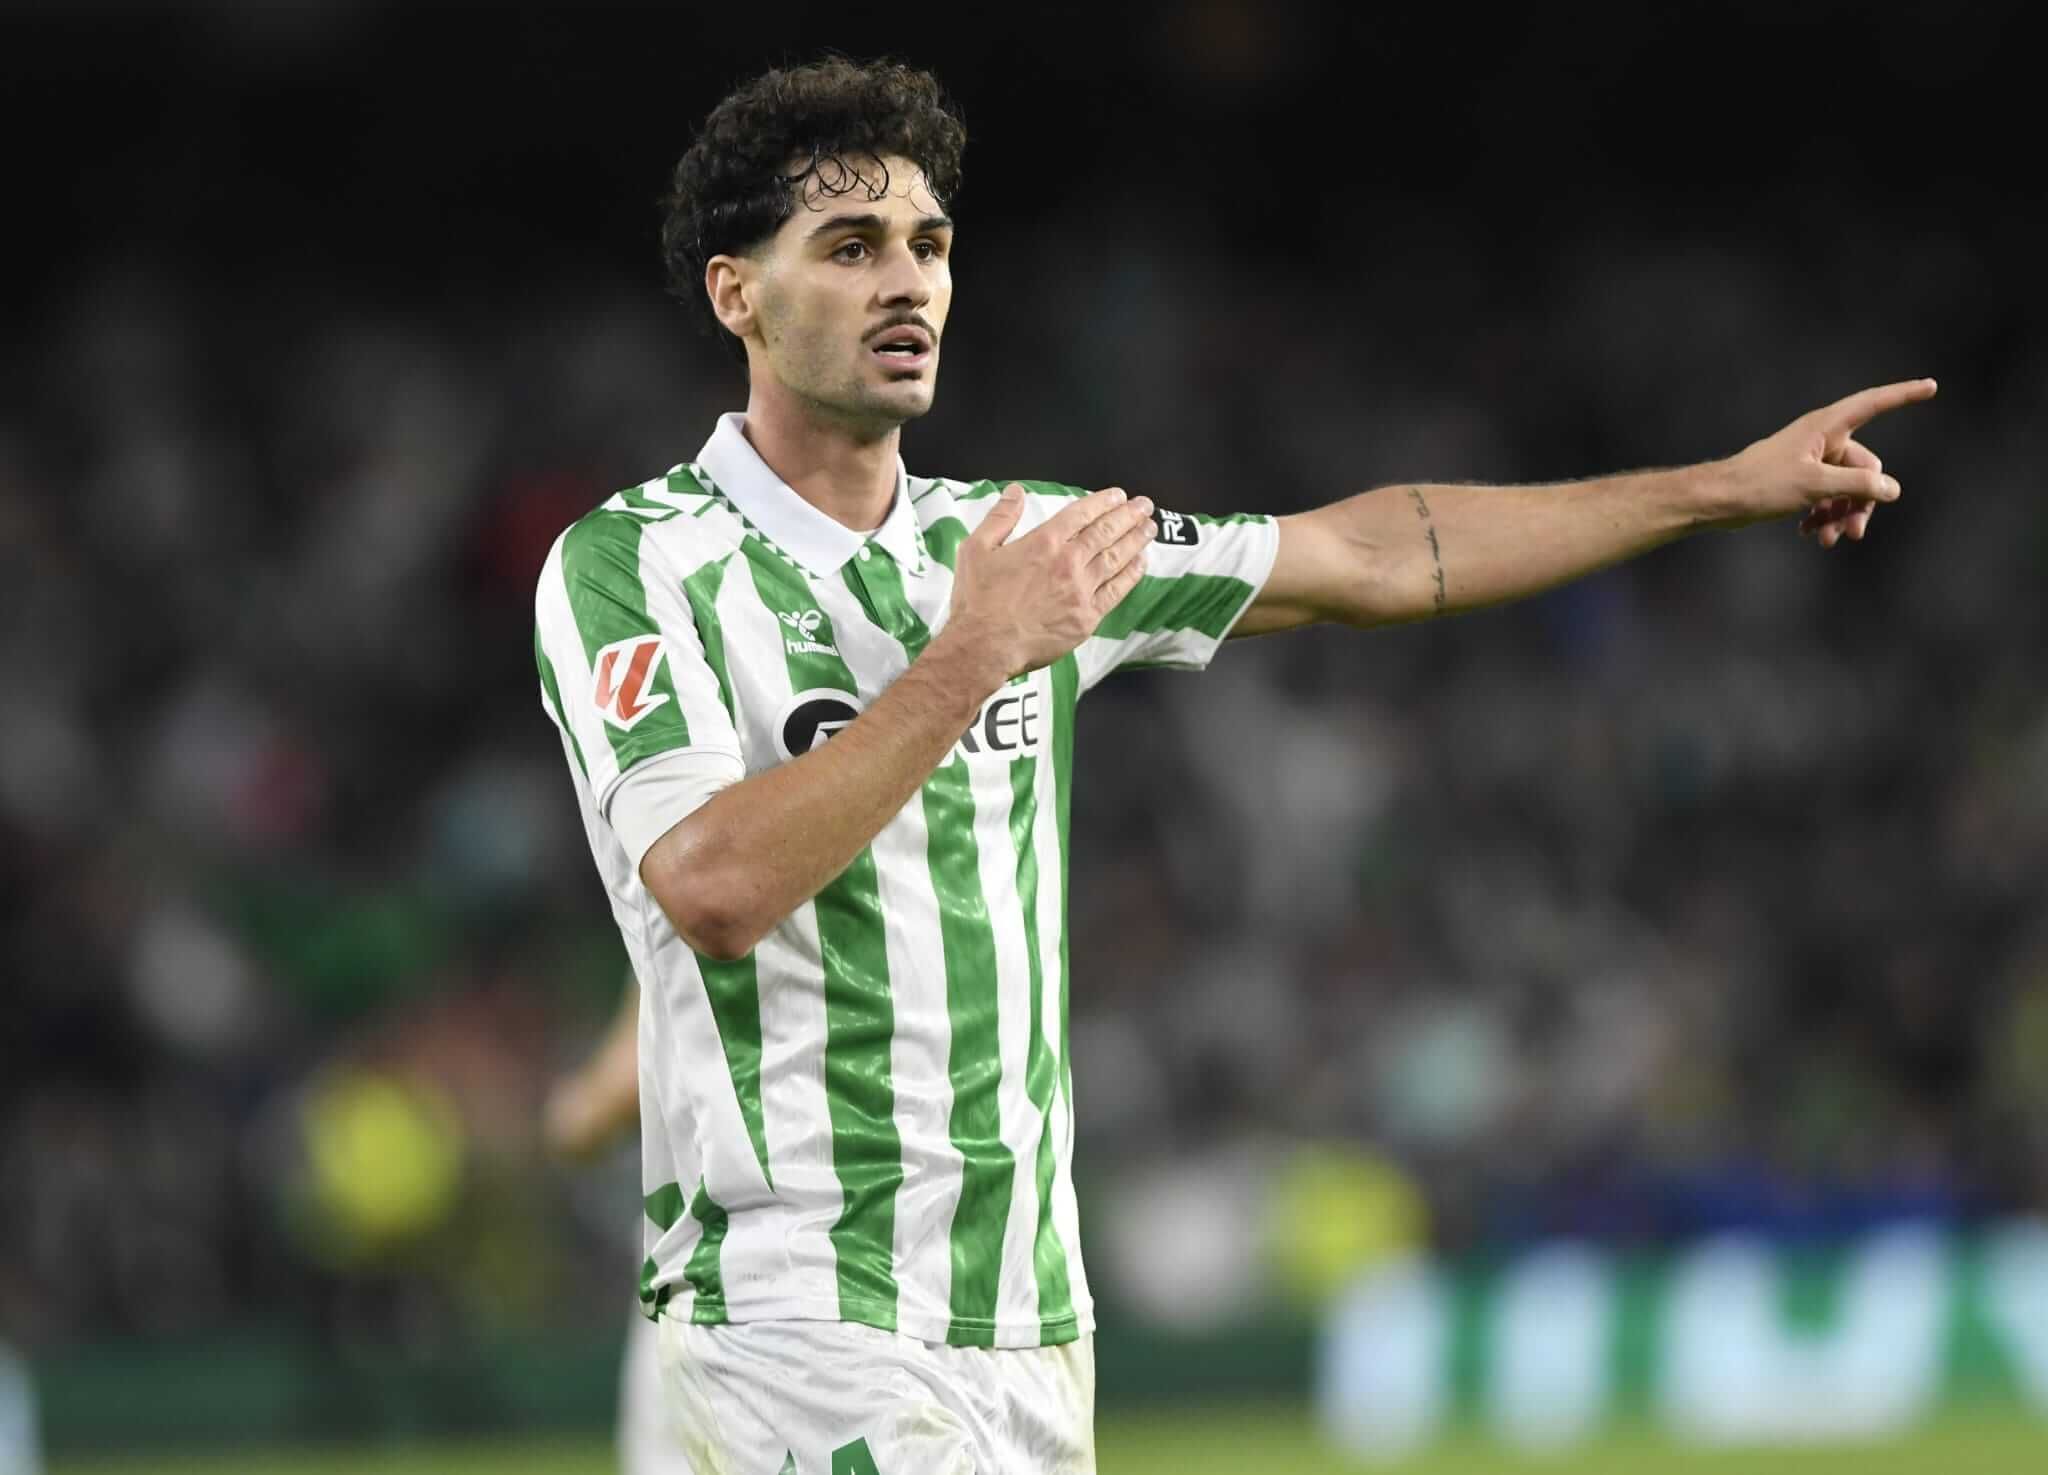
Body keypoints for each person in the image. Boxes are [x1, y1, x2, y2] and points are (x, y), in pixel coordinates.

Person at [531, 54, 1935, 1475]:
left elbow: (1365, 556)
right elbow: (709, 884)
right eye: (850, 248)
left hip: (1028, 1326)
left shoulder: (1024, 547)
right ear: (737, 294)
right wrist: (976, 653)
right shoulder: (639, 564)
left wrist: (1717, 488)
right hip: (798, 1314)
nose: (909, 283)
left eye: (929, 244)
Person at [542, 970, 686, 1475]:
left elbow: (621, 1083)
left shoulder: (696, 918)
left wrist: (570, 1112)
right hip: (867, 1248)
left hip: (704, 1263)